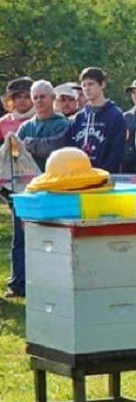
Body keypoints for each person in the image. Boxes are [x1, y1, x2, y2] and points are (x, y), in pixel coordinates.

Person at [6, 80, 66, 299]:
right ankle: (17, 283)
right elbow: (16, 152)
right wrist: (34, 145)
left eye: (43, 96)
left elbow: (56, 146)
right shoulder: (26, 126)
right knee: (20, 238)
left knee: (51, 237)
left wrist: (30, 145)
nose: (39, 101)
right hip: (26, 191)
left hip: (54, 190)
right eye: (36, 97)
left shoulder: (62, 123)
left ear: (52, 98)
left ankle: (51, 283)